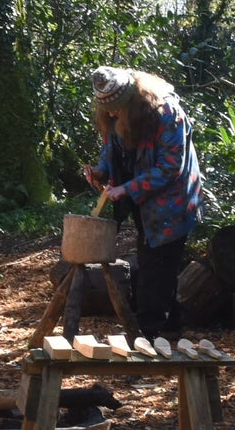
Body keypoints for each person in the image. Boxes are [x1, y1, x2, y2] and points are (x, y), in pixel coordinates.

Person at [81, 66, 201, 341]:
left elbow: (171, 167)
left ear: (133, 101)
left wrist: (127, 188)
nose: (112, 115)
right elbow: (111, 148)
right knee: (153, 264)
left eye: (117, 109)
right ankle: (169, 331)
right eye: (107, 110)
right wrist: (102, 171)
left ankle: (148, 336)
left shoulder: (167, 113)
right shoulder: (111, 114)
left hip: (174, 203)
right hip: (141, 201)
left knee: (156, 266)